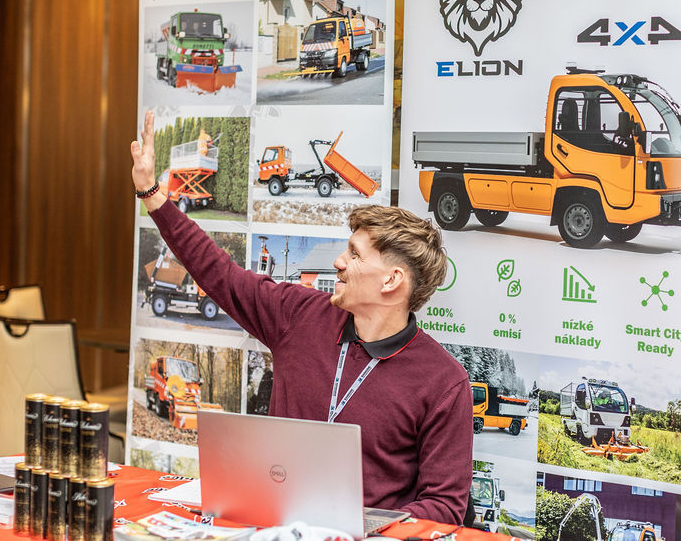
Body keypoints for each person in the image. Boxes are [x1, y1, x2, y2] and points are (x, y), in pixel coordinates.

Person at [131, 111, 472, 525]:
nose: (339, 262)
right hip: (268, 528)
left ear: (391, 281)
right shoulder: (298, 314)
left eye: (354, 254)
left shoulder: (443, 382)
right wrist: (153, 194)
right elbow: (219, 273)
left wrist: (358, 525)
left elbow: (444, 507)